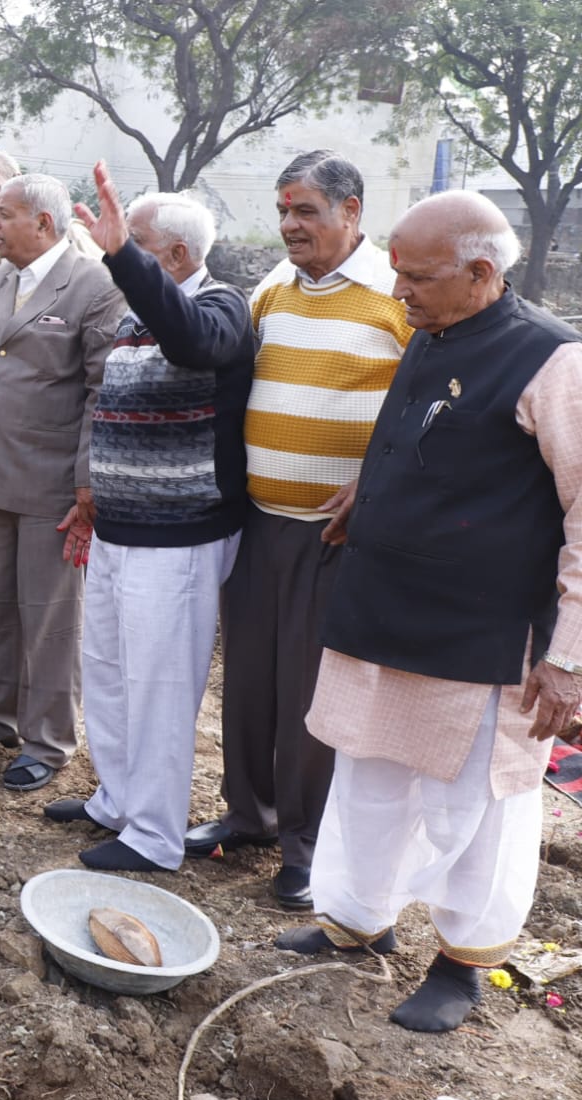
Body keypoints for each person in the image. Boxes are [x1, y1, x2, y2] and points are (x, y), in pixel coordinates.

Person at [274, 191, 582, 1033]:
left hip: (482, 633)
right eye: (397, 273)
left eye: (416, 276)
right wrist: (368, 491)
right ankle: (356, 919)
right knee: (369, 774)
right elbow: (426, 436)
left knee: (477, 804)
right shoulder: (431, 328)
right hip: (385, 607)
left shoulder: (553, 361)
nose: (398, 290)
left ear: (481, 272)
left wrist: (568, 656)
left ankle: (462, 961)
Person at [187, 151, 412, 911]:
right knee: (249, 677)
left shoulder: (395, 297)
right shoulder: (271, 290)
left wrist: (374, 485)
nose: (289, 225)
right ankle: (247, 815)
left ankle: (305, 844)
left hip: (337, 534)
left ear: (352, 212)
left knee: (312, 693)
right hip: (259, 521)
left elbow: (425, 413)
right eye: (284, 210)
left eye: (305, 210)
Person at [43, 163, 254, 871]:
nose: (120, 255)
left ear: (177, 255)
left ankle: (154, 836)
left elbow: (191, 339)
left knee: (160, 687)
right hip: (118, 528)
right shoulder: (138, 315)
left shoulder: (222, 306)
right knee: (107, 670)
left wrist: (121, 259)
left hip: (179, 536)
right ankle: (118, 798)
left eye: (135, 244)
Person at [0, 174, 125, 791]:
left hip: (54, 481)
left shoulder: (93, 286)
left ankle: (48, 740)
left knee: (51, 617)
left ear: (44, 223)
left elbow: (101, 391)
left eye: (3, 214)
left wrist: (87, 483)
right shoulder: (3, 278)